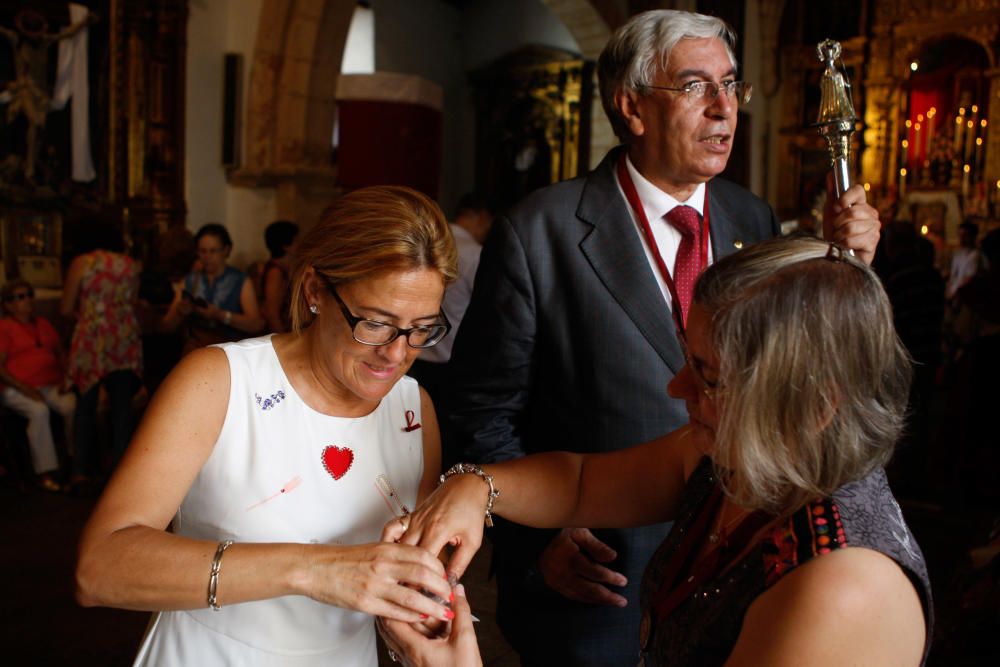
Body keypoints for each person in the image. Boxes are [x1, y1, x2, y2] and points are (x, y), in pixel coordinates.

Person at [444, 10, 880, 664]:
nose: (724, 108)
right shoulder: (540, 233)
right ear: (632, 106)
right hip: (599, 585)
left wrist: (844, 263)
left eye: (732, 86)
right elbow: (480, 408)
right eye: (695, 86)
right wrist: (539, 542)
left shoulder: (750, 216)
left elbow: (799, 366)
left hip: (732, 573)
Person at [386, 235, 932, 667]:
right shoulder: (748, 459)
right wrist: (475, 486)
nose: (677, 389)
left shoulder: (844, 590)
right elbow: (582, 484)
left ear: (815, 406)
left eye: (709, 377)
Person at [75, 186, 460, 666]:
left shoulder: (413, 410)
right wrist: (315, 569)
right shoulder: (218, 381)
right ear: (315, 289)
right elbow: (99, 567)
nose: (397, 354)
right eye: (376, 323)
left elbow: (403, 578)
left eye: (422, 328)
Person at [61, 220, 143, 487]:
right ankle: (120, 476)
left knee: (85, 407)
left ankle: (80, 472)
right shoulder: (130, 265)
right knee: (121, 412)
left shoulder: (83, 263)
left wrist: (89, 317)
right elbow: (131, 304)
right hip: (123, 339)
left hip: (92, 340)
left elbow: (65, 308)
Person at [408, 193, 492, 409]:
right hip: (450, 358)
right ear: (483, 217)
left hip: (416, 352)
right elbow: (489, 307)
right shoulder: (475, 253)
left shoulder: (431, 242)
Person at [0, 279, 75, 491]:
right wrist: (25, 389)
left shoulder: (43, 323)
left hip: (50, 384)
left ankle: (73, 460)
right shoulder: (5, 328)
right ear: (8, 304)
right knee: (39, 411)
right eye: (19, 297)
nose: (26, 301)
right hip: (16, 388)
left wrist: (65, 379)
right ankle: (45, 472)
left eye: (29, 295)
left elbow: (60, 353)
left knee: (71, 405)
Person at [161, 223, 265, 352]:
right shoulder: (190, 280)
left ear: (226, 250)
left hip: (230, 353)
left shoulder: (240, 280)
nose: (207, 257)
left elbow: (256, 324)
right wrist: (180, 312)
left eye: (213, 251)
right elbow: (166, 326)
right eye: (202, 251)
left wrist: (220, 315)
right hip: (196, 352)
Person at [259, 219, 299, 333]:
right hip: (278, 335)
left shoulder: (283, 269)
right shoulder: (275, 272)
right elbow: (272, 314)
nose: (300, 244)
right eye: (296, 240)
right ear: (286, 246)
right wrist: (283, 342)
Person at [946, 220, 980, 300]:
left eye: (965, 236)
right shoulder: (958, 254)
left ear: (973, 237)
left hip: (963, 298)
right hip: (952, 294)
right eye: (960, 235)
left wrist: (954, 294)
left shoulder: (975, 256)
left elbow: (969, 279)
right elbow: (953, 276)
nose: (961, 239)